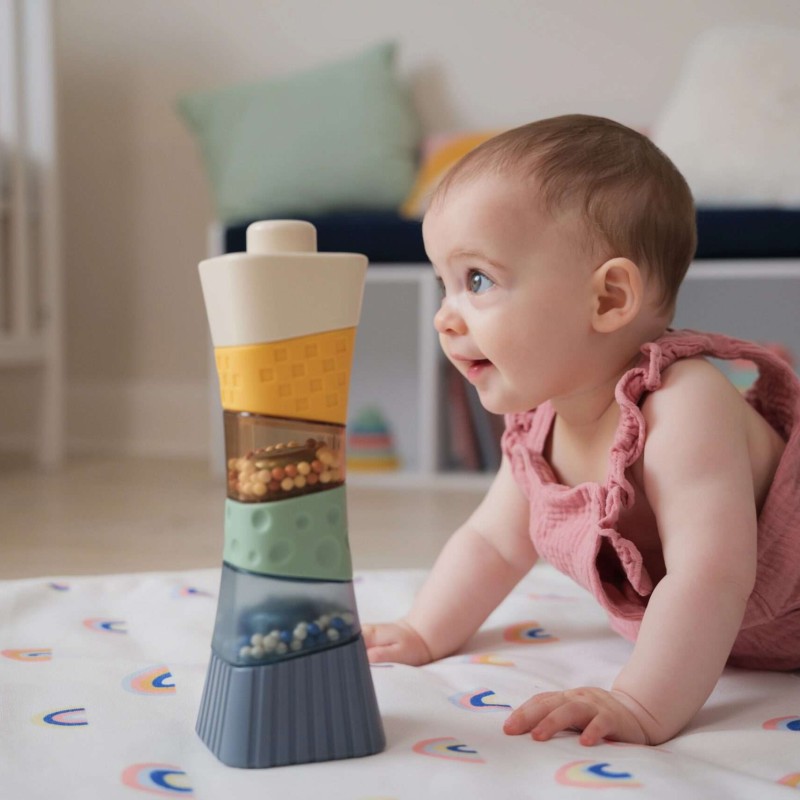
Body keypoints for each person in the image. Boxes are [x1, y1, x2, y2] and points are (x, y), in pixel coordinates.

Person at [362, 114, 800, 747]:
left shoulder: (683, 406)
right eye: (444, 285)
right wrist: (426, 630)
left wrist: (642, 705)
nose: (444, 319)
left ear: (607, 299)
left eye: (477, 280)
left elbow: (710, 576)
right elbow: (492, 543)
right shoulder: (539, 423)